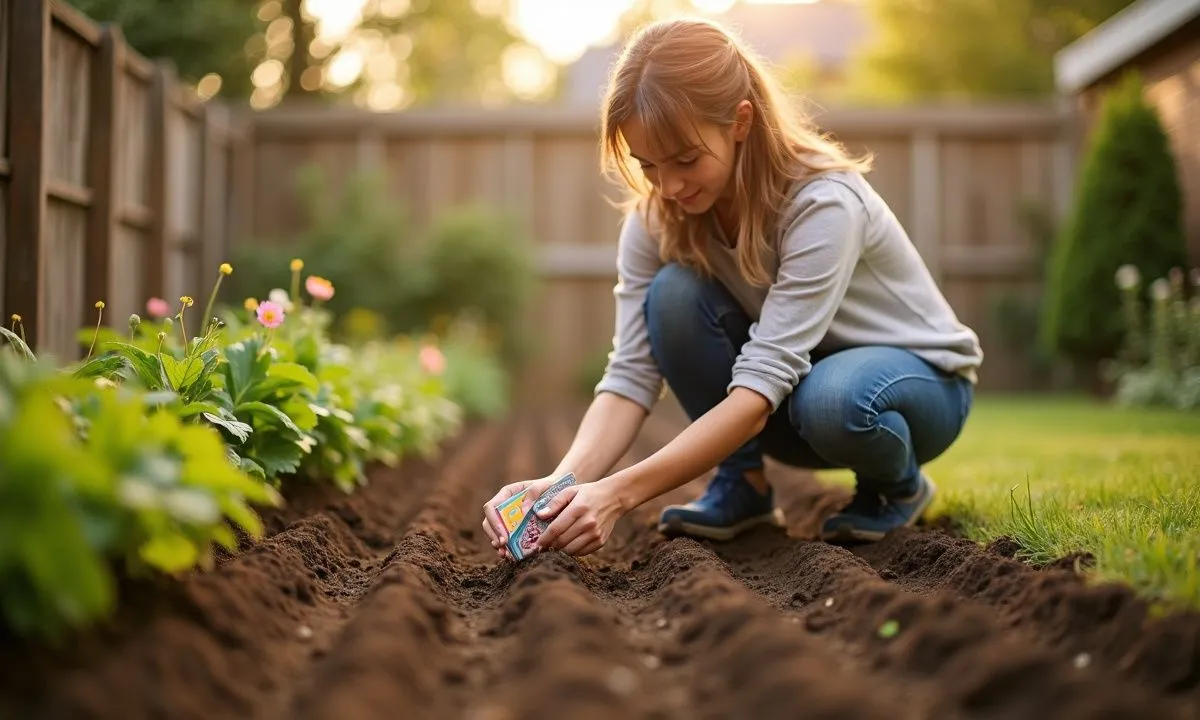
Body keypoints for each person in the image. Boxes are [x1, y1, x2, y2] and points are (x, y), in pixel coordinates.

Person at [481, 16, 983, 560]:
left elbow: (760, 388)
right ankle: (743, 484)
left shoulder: (823, 204)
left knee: (832, 398)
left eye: (686, 160)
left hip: (920, 388)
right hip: (799, 400)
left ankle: (898, 486)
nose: (668, 186)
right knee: (673, 295)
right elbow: (631, 373)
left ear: (741, 121)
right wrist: (557, 487)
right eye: (649, 165)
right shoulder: (656, 220)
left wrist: (617, 494)